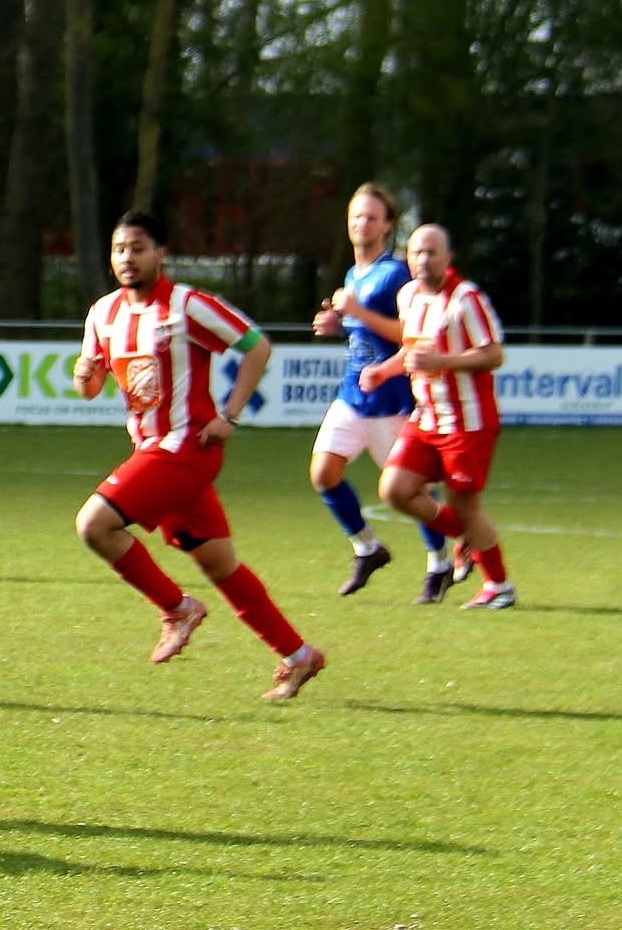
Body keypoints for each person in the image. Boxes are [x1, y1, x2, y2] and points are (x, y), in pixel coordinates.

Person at [72, 210, 326, 701]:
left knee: (94, 525)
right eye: (120, 249)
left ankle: (178, 609)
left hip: (188, 447)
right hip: (152, 450)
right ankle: (298, 655)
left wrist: (229, 415)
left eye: (139, 248)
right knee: (220, 564)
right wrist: (85, 373)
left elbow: (256, 347)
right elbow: (91, 387)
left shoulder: (187, 305)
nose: (128, 258)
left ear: (161, 254)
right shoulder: (103, 313)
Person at [360, 224, 515, 610]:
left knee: (465, 503)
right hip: (427, 418)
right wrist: (385, 370)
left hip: (468, 421)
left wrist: (443, 361)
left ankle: (499, 586)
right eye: (416, 253)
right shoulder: (408, 295)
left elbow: (494, 353)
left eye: (431, 253)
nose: (423, 260)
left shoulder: (466, 299)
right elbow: (413, 351)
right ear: (408, 258)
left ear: (448, 258)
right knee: (394, 490)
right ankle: (467, 537)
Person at [309, 184, 450, 601]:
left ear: (387, 226)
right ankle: (367, 548)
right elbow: (366, 330)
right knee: (323, 473)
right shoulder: (355, 274)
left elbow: (410, 335)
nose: (361, 224)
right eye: (356, 216)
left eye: (371, 217)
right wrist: (340, 326)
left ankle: (440, 561)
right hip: (353, 395)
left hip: (392, 400)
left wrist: (355, 312)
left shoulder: (395, 274)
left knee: (412, 491)